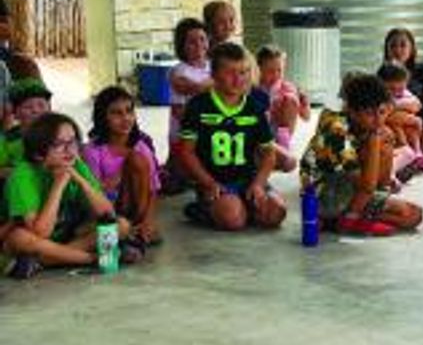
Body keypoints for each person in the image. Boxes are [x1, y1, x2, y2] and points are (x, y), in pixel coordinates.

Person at [4, 111, 142, 279]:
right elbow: (40, 233)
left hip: (67, 237)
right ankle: (91, 258)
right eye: (59, 144)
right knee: (20, 237)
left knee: (121, 225)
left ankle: (40, 262)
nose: (69, 150)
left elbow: (107, 214)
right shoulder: (22, 176)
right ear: (38, 154)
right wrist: (58, 185)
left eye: (73, 142)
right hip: (37, 241)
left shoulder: (74, 163)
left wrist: (79, 179)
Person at [174, 42, 287, 231]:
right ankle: (206, 209)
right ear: (214, 75)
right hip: (215, 181)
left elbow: (268, 154)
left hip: (248, 179)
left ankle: (241, 207)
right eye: (230, 73)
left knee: (276, 213)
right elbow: (186, 153)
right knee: (233, 220)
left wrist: (259, 184)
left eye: (243, 72)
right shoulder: (198, 106)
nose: (238, 79)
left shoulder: (254, 106)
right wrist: (208, 183)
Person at [299, 73, 423, 236]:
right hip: (322, 196)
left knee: (413, 215)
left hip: (352, 189)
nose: (378, 120)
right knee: (377, 145)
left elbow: (381, 183)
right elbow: (367, 188)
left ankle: (344, 221)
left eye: (382, 112)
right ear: (353, 112)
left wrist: (383, 144)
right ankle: (349, 220)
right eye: (370, 114)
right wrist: (374, 143)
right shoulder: (337, 130)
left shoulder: (369, 126)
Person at [83, 86, 162, 245]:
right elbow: (94, 193)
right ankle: (126, 234)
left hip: (134, 211)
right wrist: (120, 175)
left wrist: (147, 220)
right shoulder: (93, 150)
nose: (125, 118)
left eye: (129, 111)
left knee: (136, 159)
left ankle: (137, 229)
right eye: (116, 113)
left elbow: (153, 190)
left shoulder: (141, 147)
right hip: (106, 212)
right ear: (102, 117)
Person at [380, 27, 423, 157]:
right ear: (387, 49)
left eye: (403, 45)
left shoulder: (422, 70)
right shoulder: (383, 73)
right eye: (393, 45)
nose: (398, 50)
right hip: (407, 119)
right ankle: (412, 155)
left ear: (411, 49)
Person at [164, 17, 212, 191]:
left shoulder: (214, 67)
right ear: (182, 46)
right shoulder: (179, 71)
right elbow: (179, 112)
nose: (199, 45)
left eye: (202, 39)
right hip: (185, 134)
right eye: (191, 41)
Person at [256, 44, 311, 161]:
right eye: (270, 71)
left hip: (278, 133)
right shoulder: (253, 87)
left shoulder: (287, 87)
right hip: (258, 133)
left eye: (279, 70)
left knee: (290, 99)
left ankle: (283, 146)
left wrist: (304, 102)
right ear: (259, 69)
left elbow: (306, 117)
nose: (276, 75)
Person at [1, 77, 53, 175]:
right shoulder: (7, 140)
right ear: (15, 113)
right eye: (28, 107)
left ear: (50, 109)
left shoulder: (59, 135)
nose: (35, 111)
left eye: (41, 105)